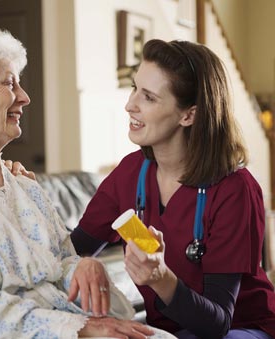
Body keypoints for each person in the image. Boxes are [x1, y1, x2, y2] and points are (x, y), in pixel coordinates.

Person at [0, 28, 177, 339]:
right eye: (9, 83)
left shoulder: (23, 185)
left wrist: (81, 268)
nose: (24, 97)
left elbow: (61, 260)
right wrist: (80, 329)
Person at [70, 39, 275, 339]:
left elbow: (217, 323)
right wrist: (18, 189)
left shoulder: (235, 190)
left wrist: (160, 278)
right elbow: (72, 250)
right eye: (134, 88)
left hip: (241, 329)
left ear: (188, 115)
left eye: (149, 98)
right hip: (167, 332)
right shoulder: (130, 173)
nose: (130, 105)